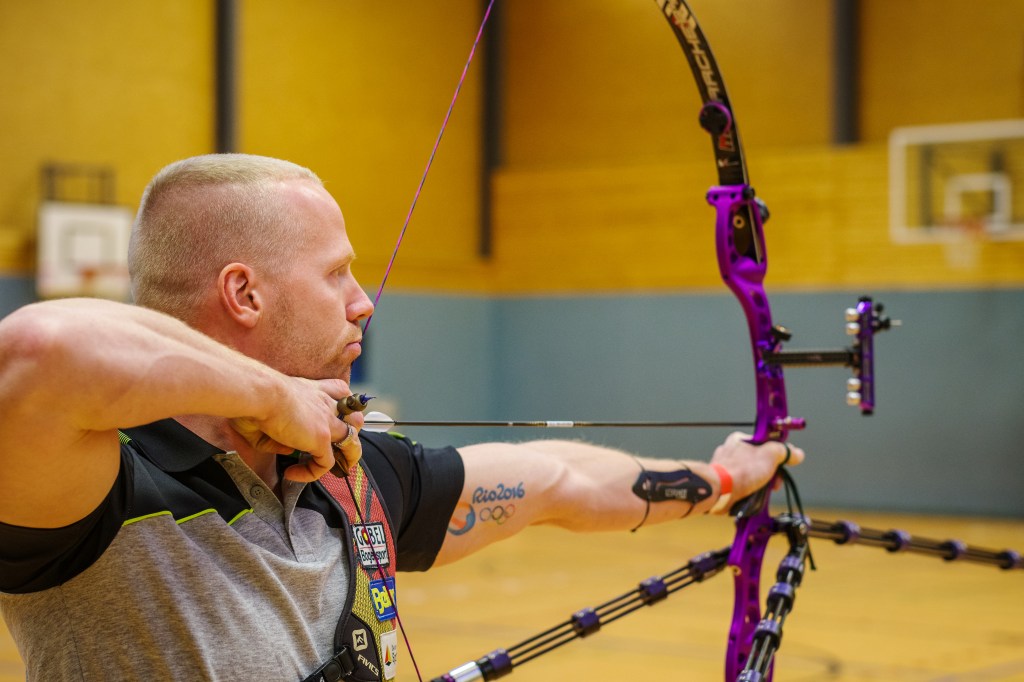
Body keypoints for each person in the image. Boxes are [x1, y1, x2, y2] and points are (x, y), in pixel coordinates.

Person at [0, 154, 803, 681]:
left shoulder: (341, 478)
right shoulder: (99, 481)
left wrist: (726, 476)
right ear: (245, 294)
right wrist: (276, 397)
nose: (364, 302)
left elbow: (559, 478)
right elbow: (37, 349)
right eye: (337, 274)